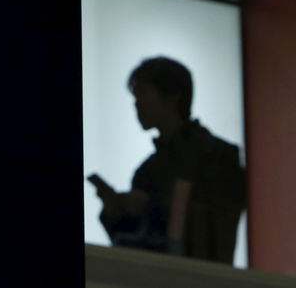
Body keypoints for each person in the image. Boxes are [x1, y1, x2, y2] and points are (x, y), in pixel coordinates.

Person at [90, 57, 246, 264]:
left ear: (173, 96)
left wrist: (150, 207)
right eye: (136, 96)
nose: (137, 103)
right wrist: (116, 211)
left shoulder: (219, 155)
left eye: (143, 94)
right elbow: (136, 247)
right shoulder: (148, 170)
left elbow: (217, 226)